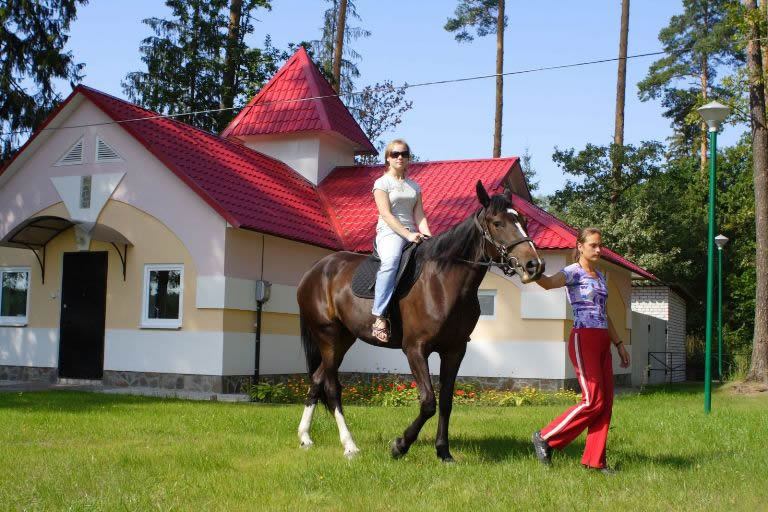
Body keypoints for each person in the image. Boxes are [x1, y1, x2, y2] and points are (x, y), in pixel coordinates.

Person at [530, 227, 630, 475]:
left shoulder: (601, 277)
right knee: (593, 400)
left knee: (605, 404)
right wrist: (534, 272)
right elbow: (548, 283)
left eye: (600, 245)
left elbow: (605, 313)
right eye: (593, 245)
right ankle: (545, 436)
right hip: (583, 338)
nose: (598, 249)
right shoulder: (571, 272)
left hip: (603, 340)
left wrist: (618, 344)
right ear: (580, 246)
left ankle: (596, 461)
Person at [371, 139, 431, 343]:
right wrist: (407, 235)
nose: (400, 157)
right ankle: (379, 316)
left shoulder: (414, 186)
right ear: (387, 158)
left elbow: (420, 215)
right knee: (391, 262)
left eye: (404, 154)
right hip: (390, 232)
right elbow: (386, 215)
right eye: (395, 154)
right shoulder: (382, 183)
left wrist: (428, 237)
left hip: (413, 232)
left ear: (408, 158)